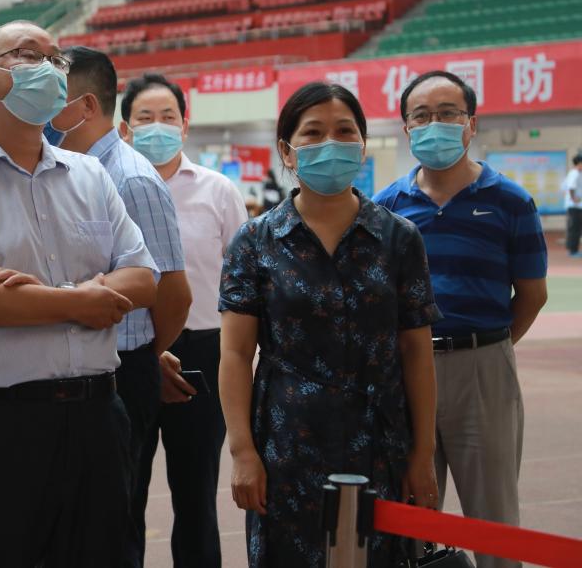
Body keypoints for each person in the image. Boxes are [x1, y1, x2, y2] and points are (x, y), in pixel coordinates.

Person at [0, 20, 158, 567]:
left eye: (56, 59)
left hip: (96, 421)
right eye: (28, 55)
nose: (50, 69)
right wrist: (81, 301)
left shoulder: (90, 176)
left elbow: (142, 277)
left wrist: (34, 297)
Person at [220, 82, 441, 568]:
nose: (330, 144)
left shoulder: (400, 239)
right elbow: (235, 354)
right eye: (313, 133)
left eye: (344, 131)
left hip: (380, 441)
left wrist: (423, 452)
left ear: (362, 145)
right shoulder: (254, 242)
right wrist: (242, 452)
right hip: (287, 443)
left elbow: (416, 351)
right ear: (287, 150)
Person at [374, 70, 549, 568]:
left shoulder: (510, 201)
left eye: (448, 113)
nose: (435, 124)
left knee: (493, 519)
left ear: (471, 124)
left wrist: (488, 347)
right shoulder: (386, 208)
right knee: (409, 515)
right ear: (407, 129)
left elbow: (532, 295)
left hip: (483, 369)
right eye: (421, 115)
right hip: (406, 371)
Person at [46, 52, 192, 567]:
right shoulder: (71, 172)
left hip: (123, 372)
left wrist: (148, 355)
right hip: (81, 371)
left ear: (85, 106)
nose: (39, 111)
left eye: (51, 98)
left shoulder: (131, 179)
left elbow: (173, 292)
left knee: (113, 522)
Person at [113, 71, 248, 567]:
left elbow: (243, 280)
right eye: (145, 117)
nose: (158, 126)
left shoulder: (218, 191)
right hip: (129, 351)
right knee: (124, 489)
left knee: (195, 494)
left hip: (202, 353)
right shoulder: (105, 186)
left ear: (185, 125)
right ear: (124, 129)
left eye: (168, 117)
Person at [563, 153, 582, 258]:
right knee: (574, 228)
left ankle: (573, 249)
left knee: (577, 228)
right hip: (574, 206)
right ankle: (572, 251)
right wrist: (573, 199)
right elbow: (571, 187)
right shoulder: (574, 173)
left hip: (577, 206)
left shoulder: (577, 173)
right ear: (579, 163)